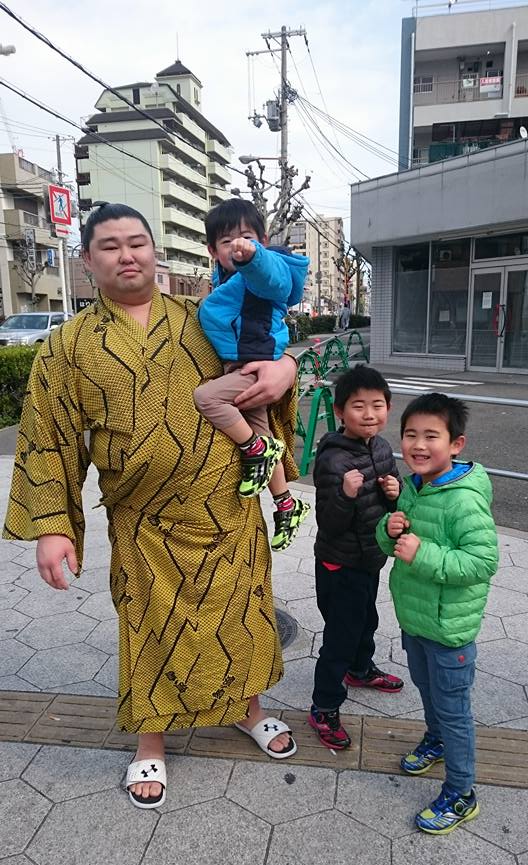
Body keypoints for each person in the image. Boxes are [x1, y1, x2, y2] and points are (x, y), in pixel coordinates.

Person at [3, 202, 302, 811]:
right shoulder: (67, 347)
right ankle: (152, 740)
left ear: (155, 252)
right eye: (110, 246)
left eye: (137, 242)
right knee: (147, 627)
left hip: (227, 504)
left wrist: (286, 370)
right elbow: (49, 438)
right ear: (87, 260)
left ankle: (249, 712)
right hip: (143, 521)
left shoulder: (206, 315)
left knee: (242, 617)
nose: (127, 254)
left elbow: (270, 340)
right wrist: (53, 527)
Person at [376, 393, 498, 835]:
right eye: (411, 435)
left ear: (457, 444)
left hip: (449, 631)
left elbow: (482, 563)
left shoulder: (464, 500)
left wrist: (422, 553)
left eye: (432, 436)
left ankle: (462, 792)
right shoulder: (415, 486)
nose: (418, 445)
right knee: (429, 693)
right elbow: (397, 542)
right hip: (417, 620)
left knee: (454, 710)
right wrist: (388, 531)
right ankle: (437, 739)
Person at [194, 198, 311, 552]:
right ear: (213, 250)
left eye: (246, 236)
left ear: (260, 238)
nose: (237, 245)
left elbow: (274, 280)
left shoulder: (258, 270)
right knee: (262, 432)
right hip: (245, 364)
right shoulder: (226, 277)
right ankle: (287, 504)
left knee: (207, 398)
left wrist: (254, 256)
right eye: (227, 241)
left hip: (253, 363)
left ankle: (254, 449)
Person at [309, 365, 404, 750]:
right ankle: (323, 707)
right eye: (358, 406)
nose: (369, 414)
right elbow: (328, 524)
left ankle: (360, 670)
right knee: (340, 636)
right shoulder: (332, 461)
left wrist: (395, 492)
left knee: (367, 619)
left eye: (377, 406)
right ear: (340, 411)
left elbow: (390, 504)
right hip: (339, 562)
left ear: (389, 408)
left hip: (370, 556)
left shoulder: (381, 448)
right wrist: (346, 495)